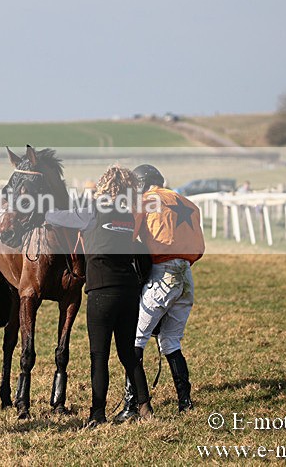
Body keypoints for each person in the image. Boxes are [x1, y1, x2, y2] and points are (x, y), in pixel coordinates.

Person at [45, 166, 152, 428]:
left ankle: (97, 414)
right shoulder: (127, 215)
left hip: (101, 292)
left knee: (99, 355)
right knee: (128, 354)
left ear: (104, 185)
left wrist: (42, 209)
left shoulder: (92, 211)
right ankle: (145, 406)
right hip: (128, 291)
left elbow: (58, 217)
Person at [114, 164, 205, 421]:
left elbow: (128, 238)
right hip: (186, 274)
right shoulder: (188, 202)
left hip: (162, 273)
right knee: (171, 342)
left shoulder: (145, 201)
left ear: (142, 183)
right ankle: (185, 403)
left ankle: (132, 405)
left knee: (135, 339)